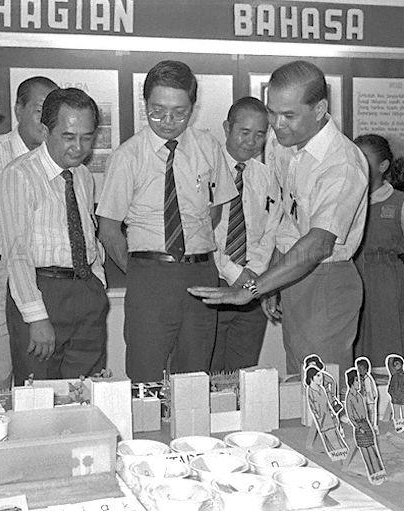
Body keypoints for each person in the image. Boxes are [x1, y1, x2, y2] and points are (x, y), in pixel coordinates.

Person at [189, 60, 368, 374]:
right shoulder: (287, 145)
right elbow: (287, 220)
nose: (277, 124)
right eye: (272, 112)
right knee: (300, 377)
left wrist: (253, 288)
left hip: (326, 278)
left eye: (289, 115)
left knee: (325, 386)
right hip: (293, 272)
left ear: (320, 109)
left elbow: (318, 244)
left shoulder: (342, 164)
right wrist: (273, 280)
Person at [97, 60, 237, 382]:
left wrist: (195, 250)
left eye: (180, 112)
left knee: (195, 372)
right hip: (150, 273)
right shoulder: (127, 156)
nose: (168, 121)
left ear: (193, 108)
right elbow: (108, 229)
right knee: (146, 372)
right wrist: (141, 275)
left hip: (201, 271)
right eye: (157, 111)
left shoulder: (208, 147)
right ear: (145, 104)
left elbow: (213, 210)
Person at [0, 87, 108, 385]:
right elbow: (17, 252)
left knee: (86, 391)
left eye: (87, 137)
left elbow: (89, 235)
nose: (79, 147)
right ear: (46, 130)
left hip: (85, 292)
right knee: (39, 395)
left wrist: (97, 284)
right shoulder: (19, 174)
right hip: (42, 291)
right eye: (69, 137)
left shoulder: (83, 176)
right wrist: (36, 316)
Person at [0, 76, 58, 388]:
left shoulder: (65, 160)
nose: (47, 121)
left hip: (48, 276)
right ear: (18, 109)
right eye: (41, 110)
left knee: (43, 374)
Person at [210, 97, 281, 373]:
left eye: (260, 134)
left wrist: (255, 272)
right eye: (245, 132)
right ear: (227, 128)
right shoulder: (206, 170)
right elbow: (202, 232)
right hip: (214, 280)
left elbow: (272, 230)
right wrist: (233, 272)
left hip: (253, 286)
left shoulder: (266, 177)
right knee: (209, 372)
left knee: (244, 374)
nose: (252, 142)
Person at [353, 134, 404, 367]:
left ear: (383, 166)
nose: (356, 162)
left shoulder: (402, 203)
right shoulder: (347, 201)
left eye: (364, 158)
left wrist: (402, 294)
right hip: (350, 284)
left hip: (387, 286)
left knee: (387, 356)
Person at [343, 368, 385, 484]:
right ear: (352, 381)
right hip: (359, 426)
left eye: (360, 381)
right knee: (366, 451)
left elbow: (365, 412)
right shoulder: (349, 398)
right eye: (357, 381)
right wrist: (358, 427)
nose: (359, 383)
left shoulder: (360, 396)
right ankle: (372, 474)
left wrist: (368, 425)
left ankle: (379, 471)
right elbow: (351, 416)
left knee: (372, 448)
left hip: (366, 424)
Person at [305, 365, 348, 459]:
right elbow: (313, 407)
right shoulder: (311, 391)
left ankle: (341, 454)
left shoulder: (321, 389)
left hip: (329, 416)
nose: (321, 378)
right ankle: (338, 455)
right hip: (322, 419)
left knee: (334, 435)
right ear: (311, 377)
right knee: (329, 437)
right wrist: (318, 417)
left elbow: (327, 403)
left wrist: (333, 414)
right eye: (318, 376)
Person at [386, 354, 404, 433]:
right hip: (395, 397)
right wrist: (392, 394)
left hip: (402, 397)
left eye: (398, 364)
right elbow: (390, 387)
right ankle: (398, 426)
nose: (397, 366)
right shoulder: (393, 376)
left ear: (401, 365)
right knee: (396, 412)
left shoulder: (403, 376)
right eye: (395, 365)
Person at [356, 356, 379, 433]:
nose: (359, 371)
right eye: (358, 369)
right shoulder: (360, 379)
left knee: (371, 413)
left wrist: (372, 397)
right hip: (364, 400)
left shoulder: (368, 378)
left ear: (366, 369)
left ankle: (373, 426)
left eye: (361, 369)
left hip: (369, 400)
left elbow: (370, 390)